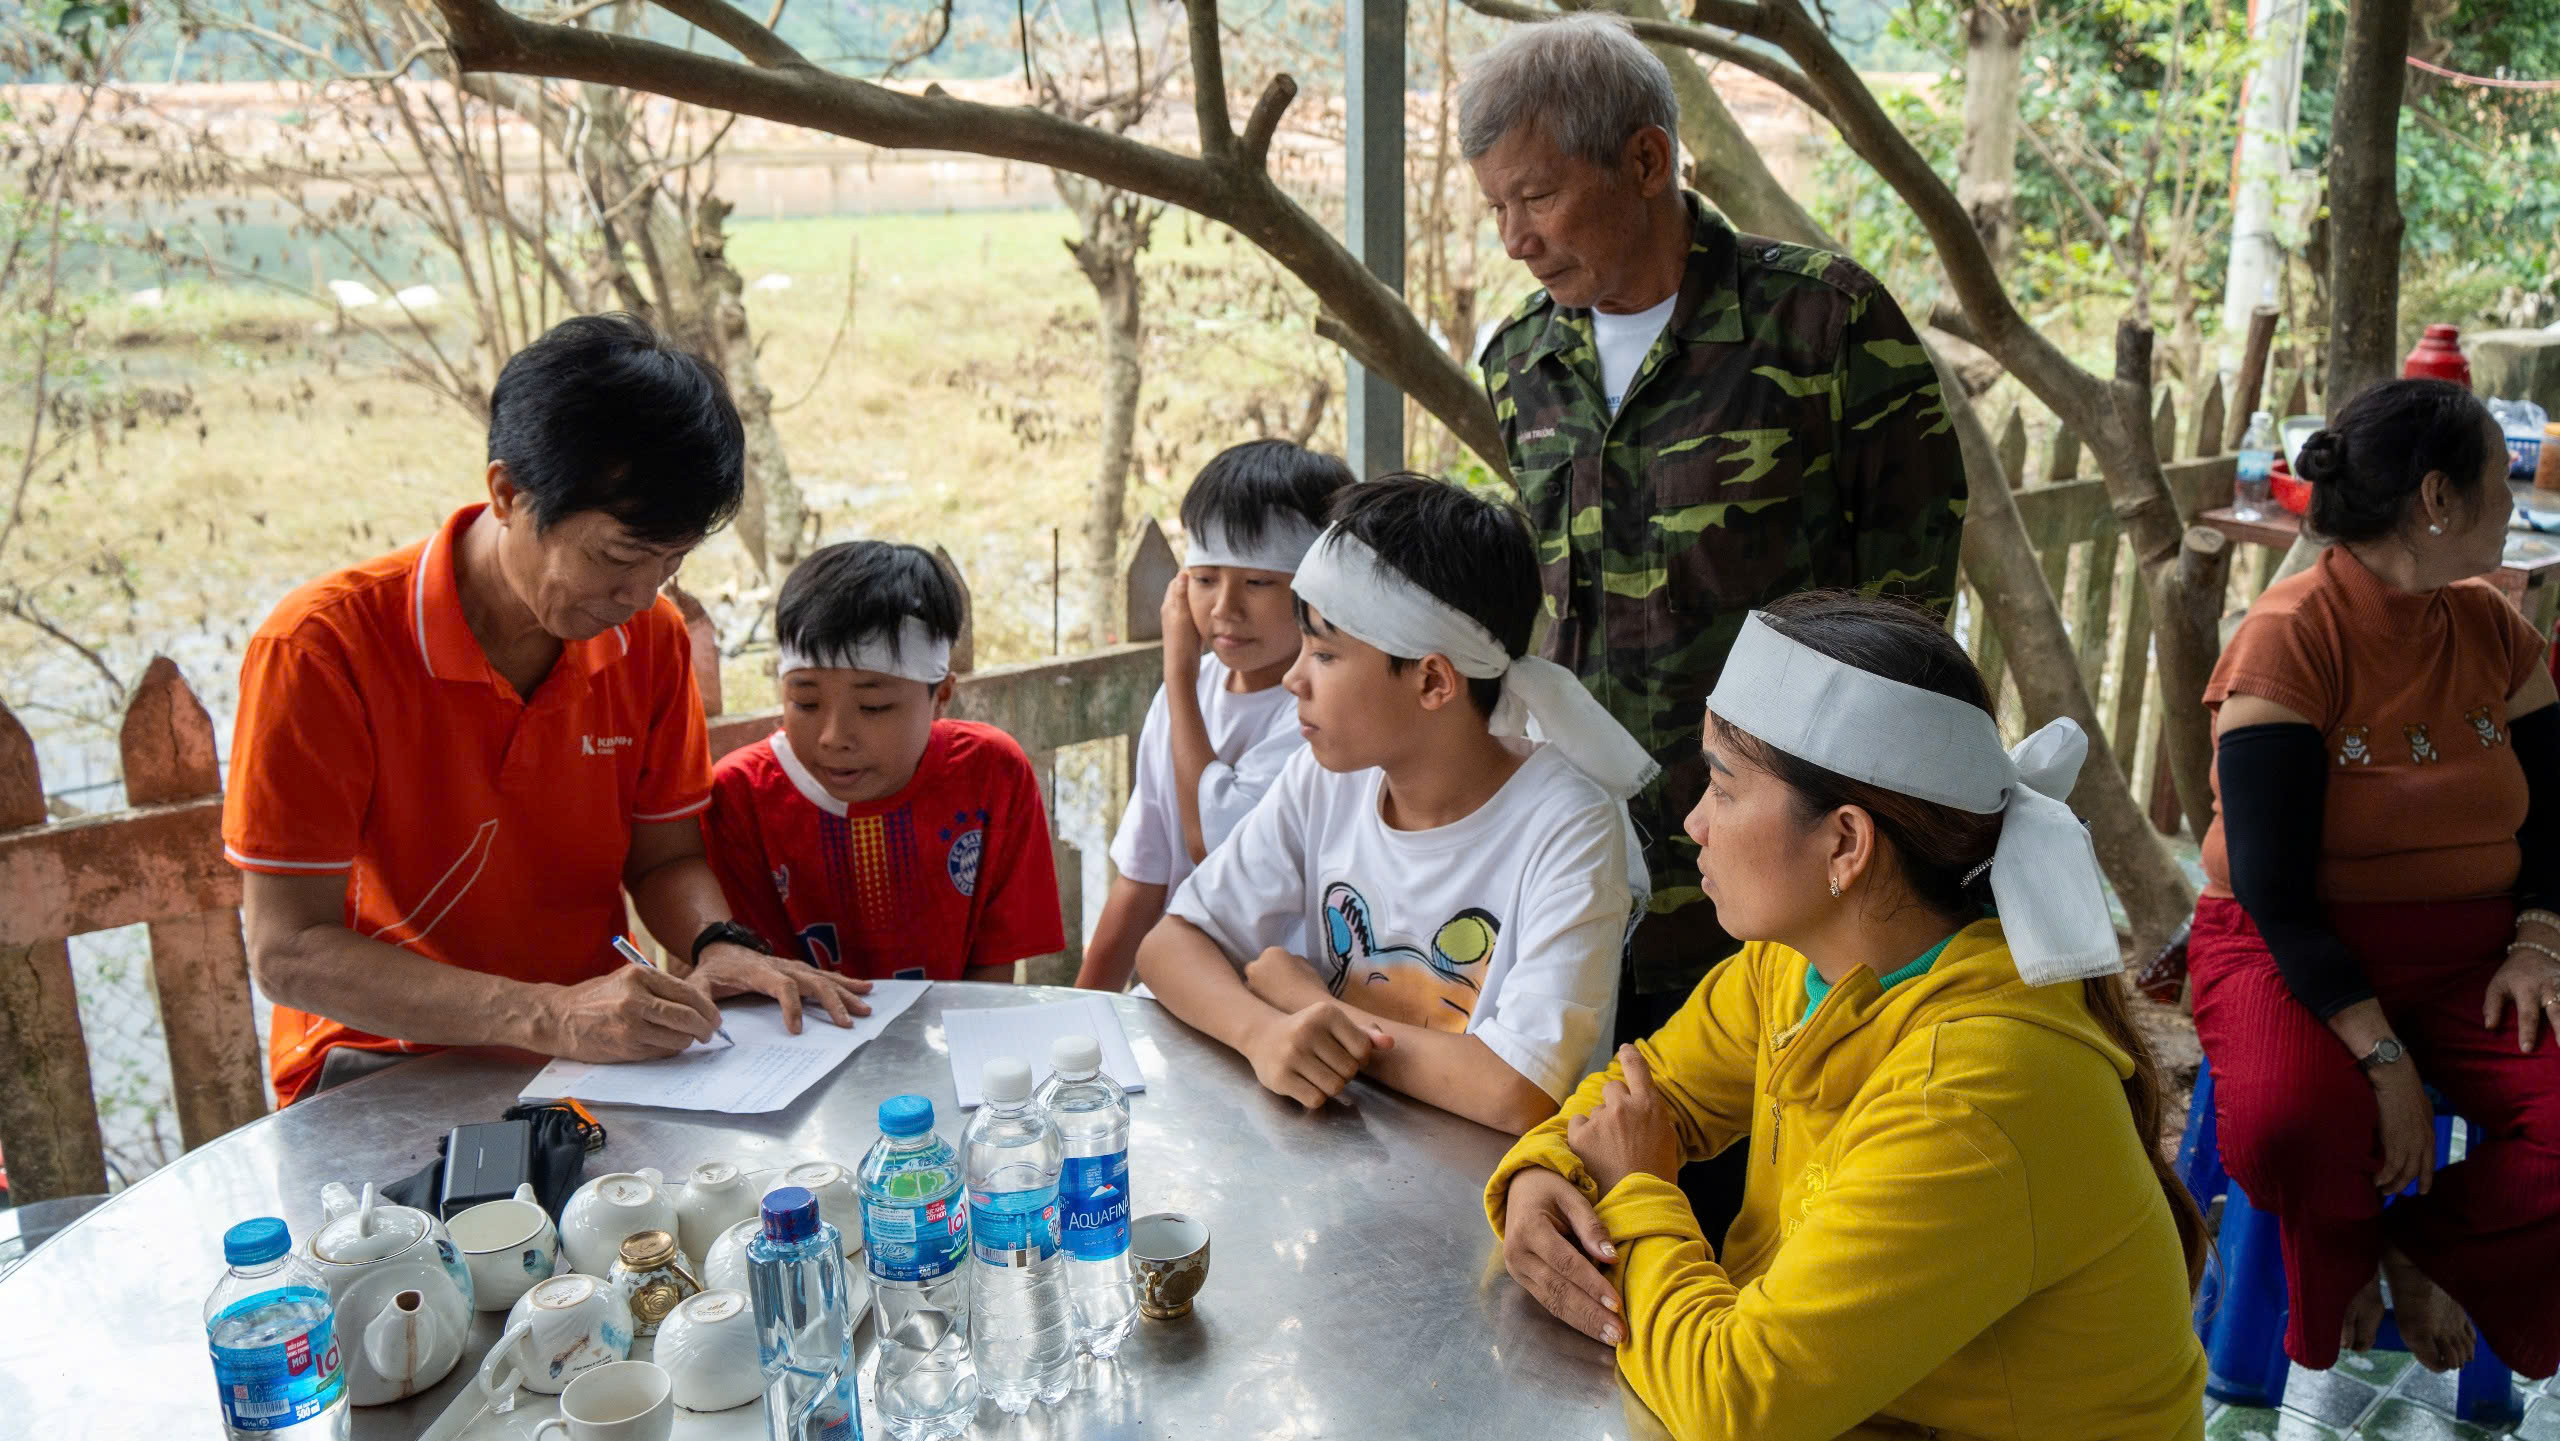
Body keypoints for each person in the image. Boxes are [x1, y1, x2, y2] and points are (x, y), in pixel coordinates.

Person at [1488, 592, 2209, 1441]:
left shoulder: (1980, 1088)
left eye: (1723, 787)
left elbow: (1736, 1402)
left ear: (1845, 843)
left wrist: (1635, 1189)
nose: (1693, 823)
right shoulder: (1796, 966)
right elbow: (1646, 1092)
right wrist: (1542, 1174)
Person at [1460, 14, 1966, 1042]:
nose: (1515, 239)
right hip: (1586, 865)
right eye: (1496, 207)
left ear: (1646, 161)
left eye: (1538, 197)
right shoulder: (1519, 361)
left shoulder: (1826, 327)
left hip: (1785, 890)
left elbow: (1905, 632)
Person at [225, 314, 870, 1105]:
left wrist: (716, 941)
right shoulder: (321, 649)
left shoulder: (650, 640)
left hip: (589, 1049)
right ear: (507, 493)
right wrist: (547, 1013)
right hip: (379, 1060)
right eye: (617, 556)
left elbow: (663, 859)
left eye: (670, 562)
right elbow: (288, 950)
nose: (642, 594)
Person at [2191, 377, 2560, 1381]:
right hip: (2292, 949)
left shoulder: (2492, 628)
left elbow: (2559, 813)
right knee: (2290, 1122)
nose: (2514, 496)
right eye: (2501, 476)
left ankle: (2424, 1247)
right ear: (2437, 498)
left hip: (2473, 953)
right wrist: (2386, 1059)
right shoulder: (2289, 637)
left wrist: (2537, 939)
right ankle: (2341, 1250)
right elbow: (2274, 890)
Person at [1136, 476, 1655, 1135]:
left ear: (1433, 679)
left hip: (1498, 1187)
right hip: (1345, 1162)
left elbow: (1519, 1091)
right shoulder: (1327, 780)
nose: (1294, 678)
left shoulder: (1569, 826)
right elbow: (1170, 944)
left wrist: (1308, 1001)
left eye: (1325, 654)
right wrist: (1261, 1031)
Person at [703, 540, 1065, 981]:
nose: (833, 738)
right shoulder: (740, 795)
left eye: (873, 707)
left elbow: (992, 978)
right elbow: (742, 975)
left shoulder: (991, 774)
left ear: (941, 697)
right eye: (806, 702)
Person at [1078, 440, 1355, 991]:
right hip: (1181, 988)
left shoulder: (1319, 711)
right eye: (1205, 580)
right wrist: (1079, 1009)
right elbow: (1144, 876)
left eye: (1258, 583)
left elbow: (1212, 845)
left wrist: (1179, 676)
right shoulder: (1190, 691)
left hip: (1278, 999)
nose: (1225, 608)